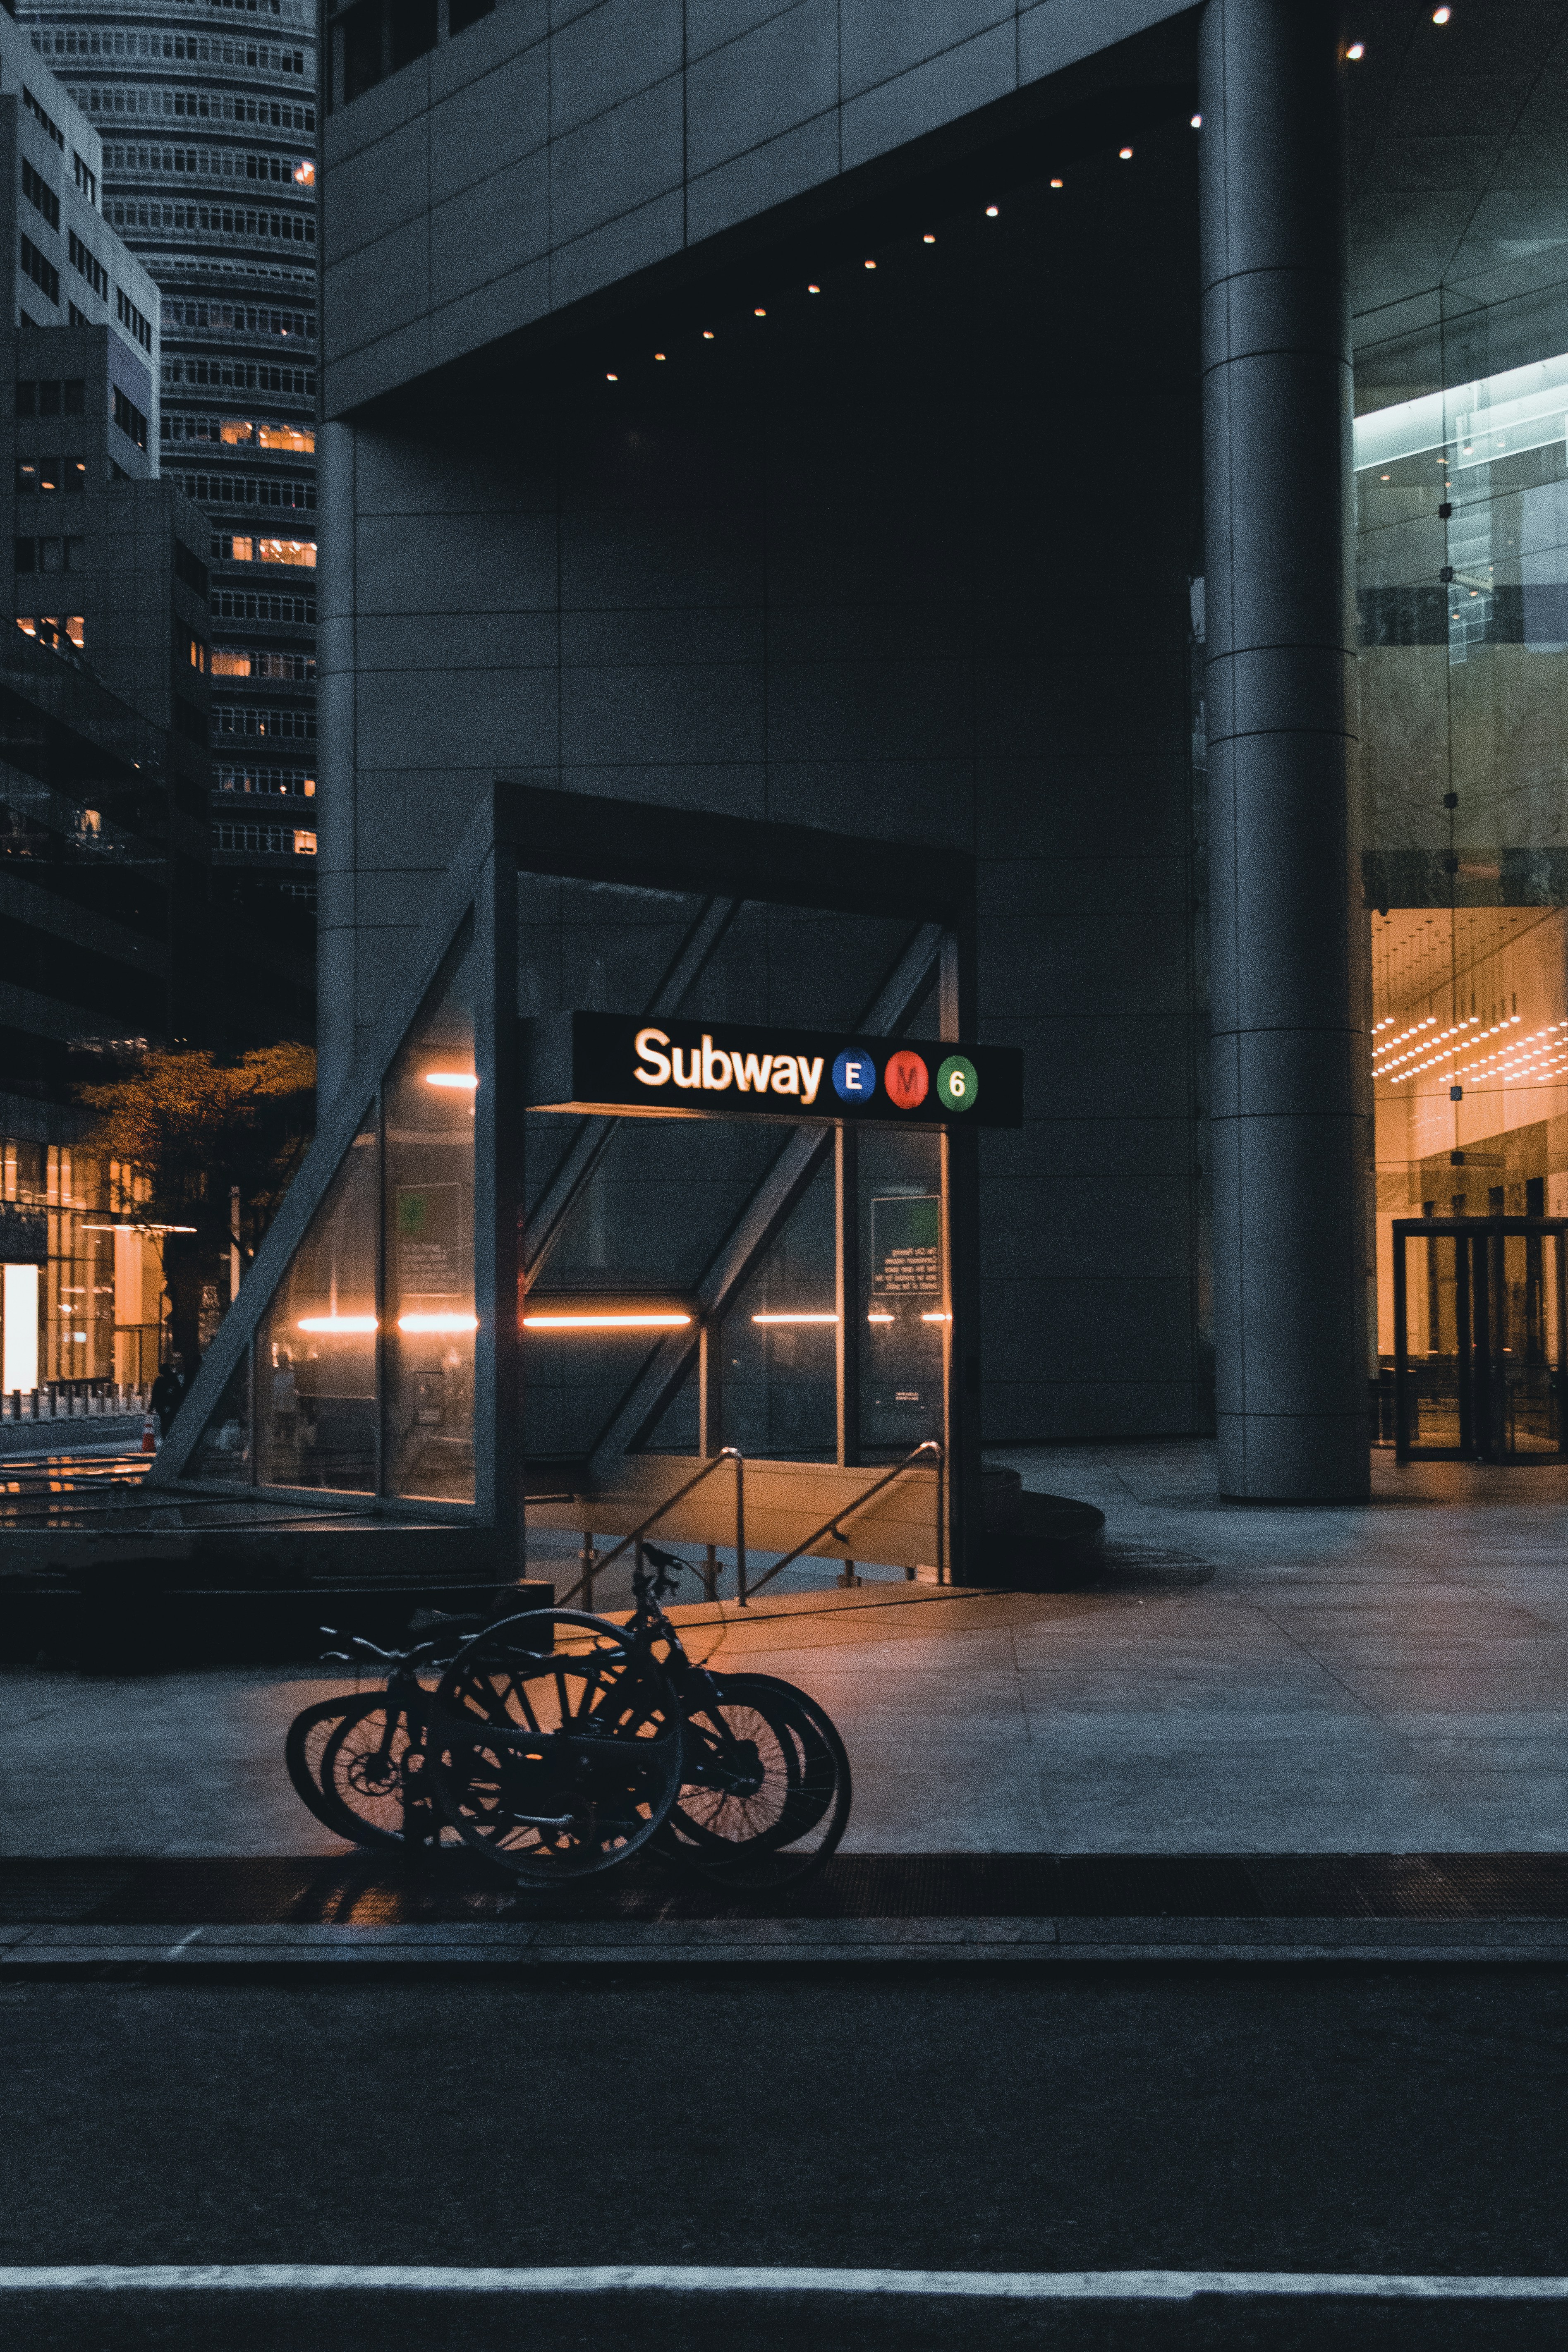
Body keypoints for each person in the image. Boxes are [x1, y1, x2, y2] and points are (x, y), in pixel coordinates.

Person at [149, 1352, 189, 1442]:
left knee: (164, 1422)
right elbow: (178, 1391)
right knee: (170, 1421)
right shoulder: (173, 1379)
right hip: (170, 1405)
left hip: (162, 1405)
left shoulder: (159, 1380)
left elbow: (155, 1394)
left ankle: (166, 1437)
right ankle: (169, 1437)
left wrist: (152, 1406)